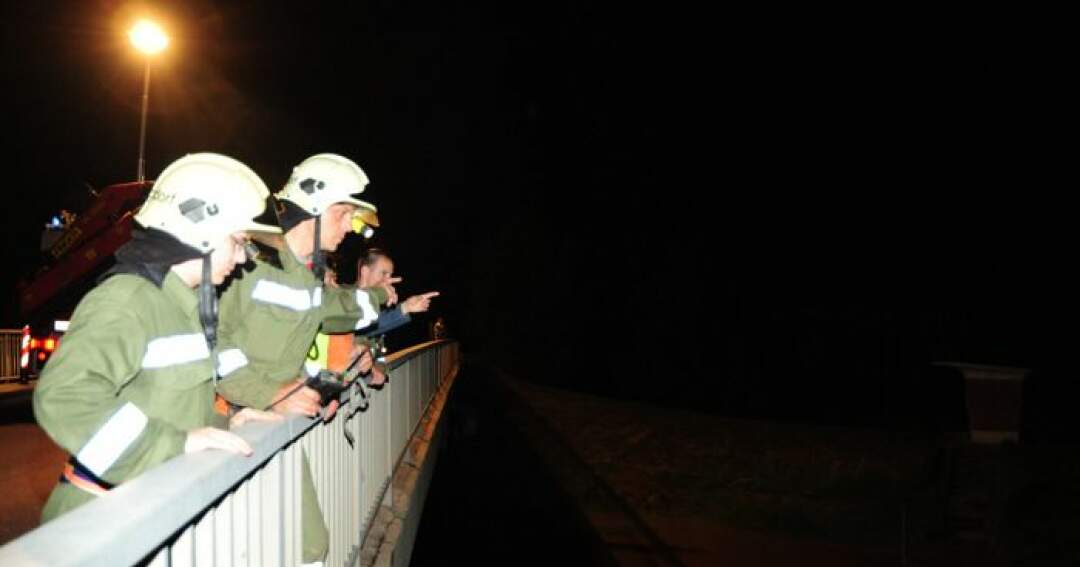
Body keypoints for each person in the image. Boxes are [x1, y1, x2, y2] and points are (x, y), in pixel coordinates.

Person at [33, 153, 282, 521]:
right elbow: (63, 397)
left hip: (147, 516)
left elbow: (169, 411)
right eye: (239, 240)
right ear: (203, 230)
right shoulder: (128, 299)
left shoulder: (186, 308)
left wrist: (229, 424)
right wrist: (171, 446)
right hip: (102, 523)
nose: (244, 257)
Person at [214, 153, 390, 566]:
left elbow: (332, 312)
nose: (350, 227)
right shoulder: (251, 263)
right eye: (344, 214)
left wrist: (344, 366)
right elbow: (213, 342)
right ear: (313, 207)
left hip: (272, 423)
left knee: (310, 546)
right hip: (225, 422)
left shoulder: (307, 273)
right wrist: (267, 392)